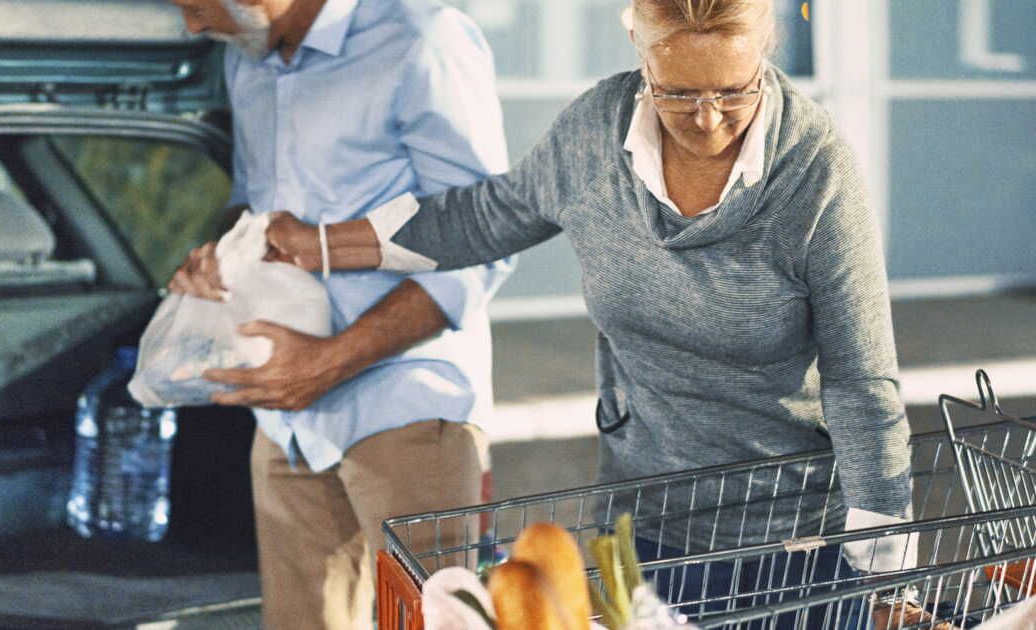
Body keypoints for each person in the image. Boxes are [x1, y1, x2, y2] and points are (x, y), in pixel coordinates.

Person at [263, 0, 949, 626]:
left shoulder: (814, 169)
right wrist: (323, 244)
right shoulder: (596, 133)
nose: (707, 118)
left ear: (767, 45)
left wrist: (888, 583)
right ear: (638, 48)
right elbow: (487, 215)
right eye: (678, 92)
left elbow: (863, 384)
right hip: (646, 525)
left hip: (793, 534)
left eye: (734, 91)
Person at [166, 0, 513, 628]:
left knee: (431, 622)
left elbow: (483, 240)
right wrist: (216, 258)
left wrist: (329, 362)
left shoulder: (423, 39)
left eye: (197, 5)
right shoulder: (246, 62)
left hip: (405, 404)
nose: (192, 26)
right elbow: (252, 208)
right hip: (283, 421)